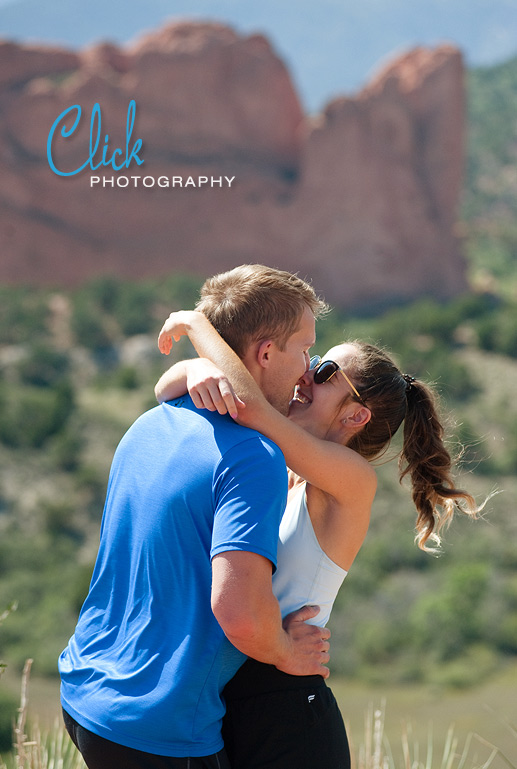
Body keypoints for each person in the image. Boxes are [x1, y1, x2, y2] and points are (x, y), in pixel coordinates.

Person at [155, 310, 480, 769]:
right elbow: (166, 391)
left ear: (356, 415)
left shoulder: (351, 480)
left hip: (287, 710)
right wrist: (194, 369)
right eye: (316, 358)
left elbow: (248, 405)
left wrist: (195, 323)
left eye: (325, 372)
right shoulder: (283, 470)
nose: (306, 372)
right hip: (228, 698)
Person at [58, 264, 331, 769]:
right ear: (266, 353)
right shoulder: (253, 457)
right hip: (157, 727)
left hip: (85, 692)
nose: (309, 367)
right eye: (305, 348)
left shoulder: (149, 422)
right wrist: (288, 653)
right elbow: (240, 613)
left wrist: (187, 369)